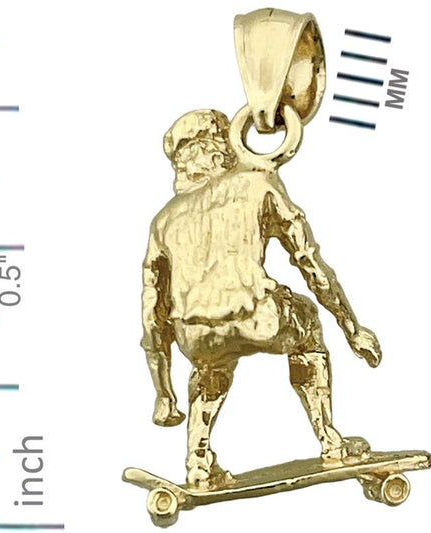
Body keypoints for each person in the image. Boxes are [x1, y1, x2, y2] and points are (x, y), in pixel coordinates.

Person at [141, 109, 381, 490]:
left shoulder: (163, 220)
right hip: (259, 316)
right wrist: (352, 329)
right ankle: (329, 439)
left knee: (209, 368)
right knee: (307, 326)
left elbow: (152, 312)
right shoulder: (258, 182)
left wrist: (163, 392)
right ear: (225, 147)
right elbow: (309, 262)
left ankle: (197, 460)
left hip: (195, 335)